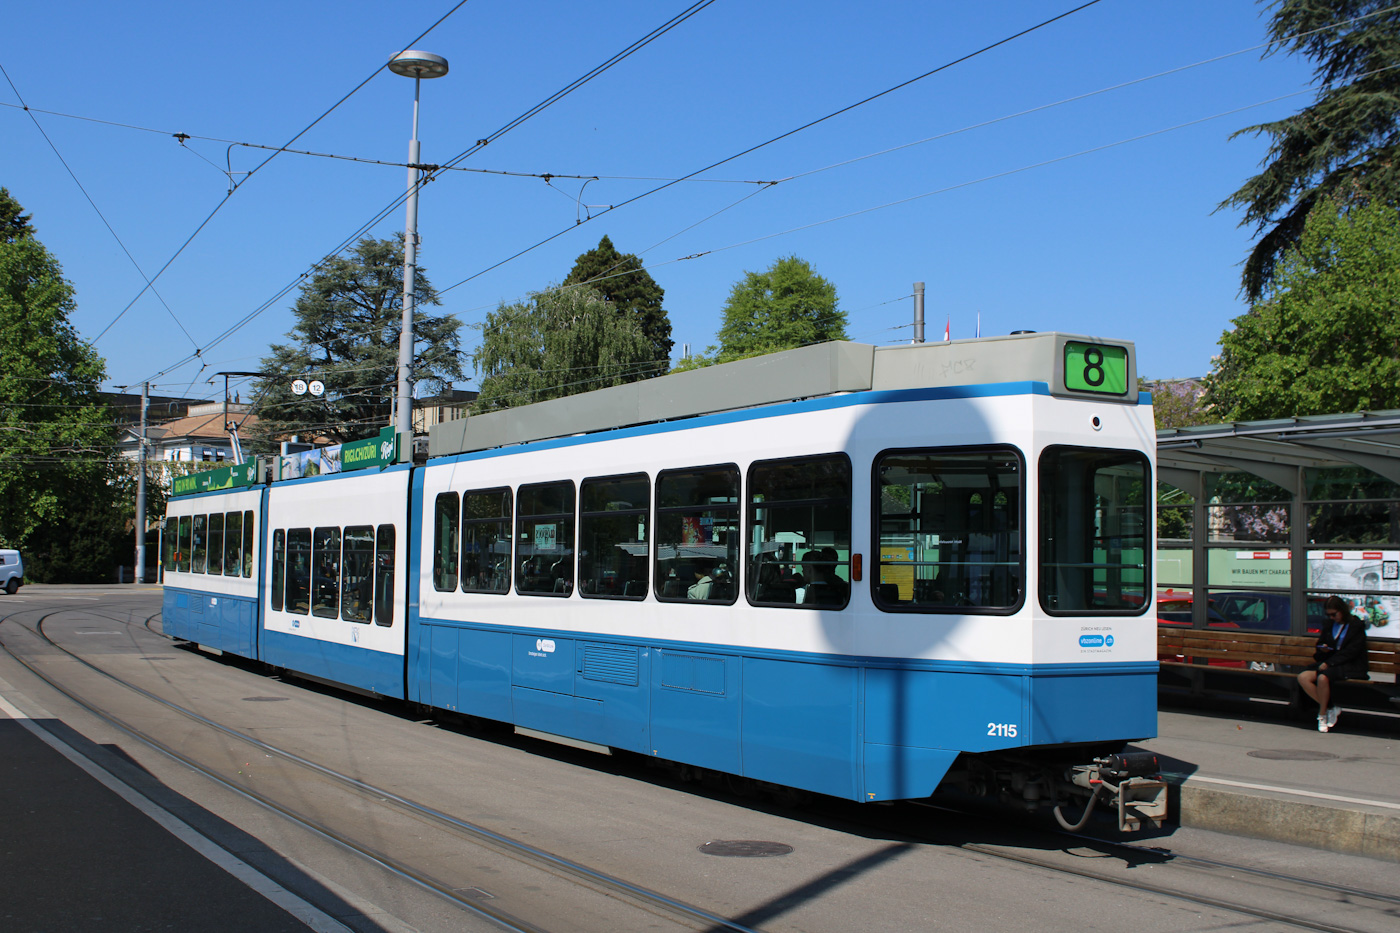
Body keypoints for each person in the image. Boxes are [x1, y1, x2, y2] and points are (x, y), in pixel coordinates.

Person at [1298, 595, 1369, 733]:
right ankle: (1330, 707)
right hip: (1330, 663)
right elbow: (1320, 645)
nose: (1331, 617)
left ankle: (1322, 715)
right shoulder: (1329, 625)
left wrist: (1330, 662)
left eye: (1334, 614)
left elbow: (1352, 651)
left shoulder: (1356, 625)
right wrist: (1323, 649)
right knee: (1303, 677)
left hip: (1349, 664)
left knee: (1323, 677)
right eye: (1328, 615)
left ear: (1342, 610)